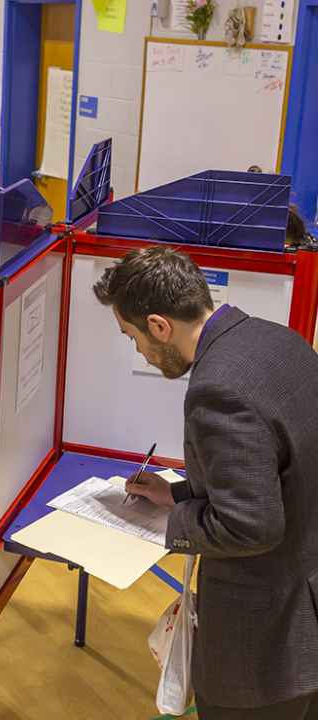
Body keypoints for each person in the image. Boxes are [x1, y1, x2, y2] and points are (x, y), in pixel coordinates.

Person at [93, 246, 318, 719]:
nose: (141, 351)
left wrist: (171, 521)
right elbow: (278, 469)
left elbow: (251, 527)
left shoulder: (217, 388)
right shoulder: (278, 340)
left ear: (158, 325)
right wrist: (176, 491)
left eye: (133, 337)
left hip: (266, 645)